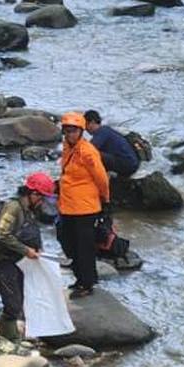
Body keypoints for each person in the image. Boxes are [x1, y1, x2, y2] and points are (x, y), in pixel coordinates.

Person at [0, 173, 55, 341]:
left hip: (18, 263)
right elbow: (2, 234)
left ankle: (17, 335)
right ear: (33, 194)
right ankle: (10, 342)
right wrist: (26, 250)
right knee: (13, 305)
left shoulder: (28, 210)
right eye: (42, 198)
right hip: (3, 263)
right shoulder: (13, 207)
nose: (43, 202)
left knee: (20, 301)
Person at [57, 111, 110, 299]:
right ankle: (80, 277)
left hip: (85, 208)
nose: (69, 134)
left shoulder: (88, 152)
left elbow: (101, 177)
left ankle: (87, 283)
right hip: (68, 206)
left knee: (84, 247)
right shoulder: (67, 148)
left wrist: (105, 199)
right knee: (67, 240)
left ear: (80, 131)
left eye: (72, 130)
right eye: (66, 130)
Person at [84, 110, 141, 177]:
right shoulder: (107, 130)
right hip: (132, 163)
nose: (85, 129)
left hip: (128, 165)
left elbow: (89, 149)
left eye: (86, 125)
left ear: (92, 122)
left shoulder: (102, 131)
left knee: (94, 153)